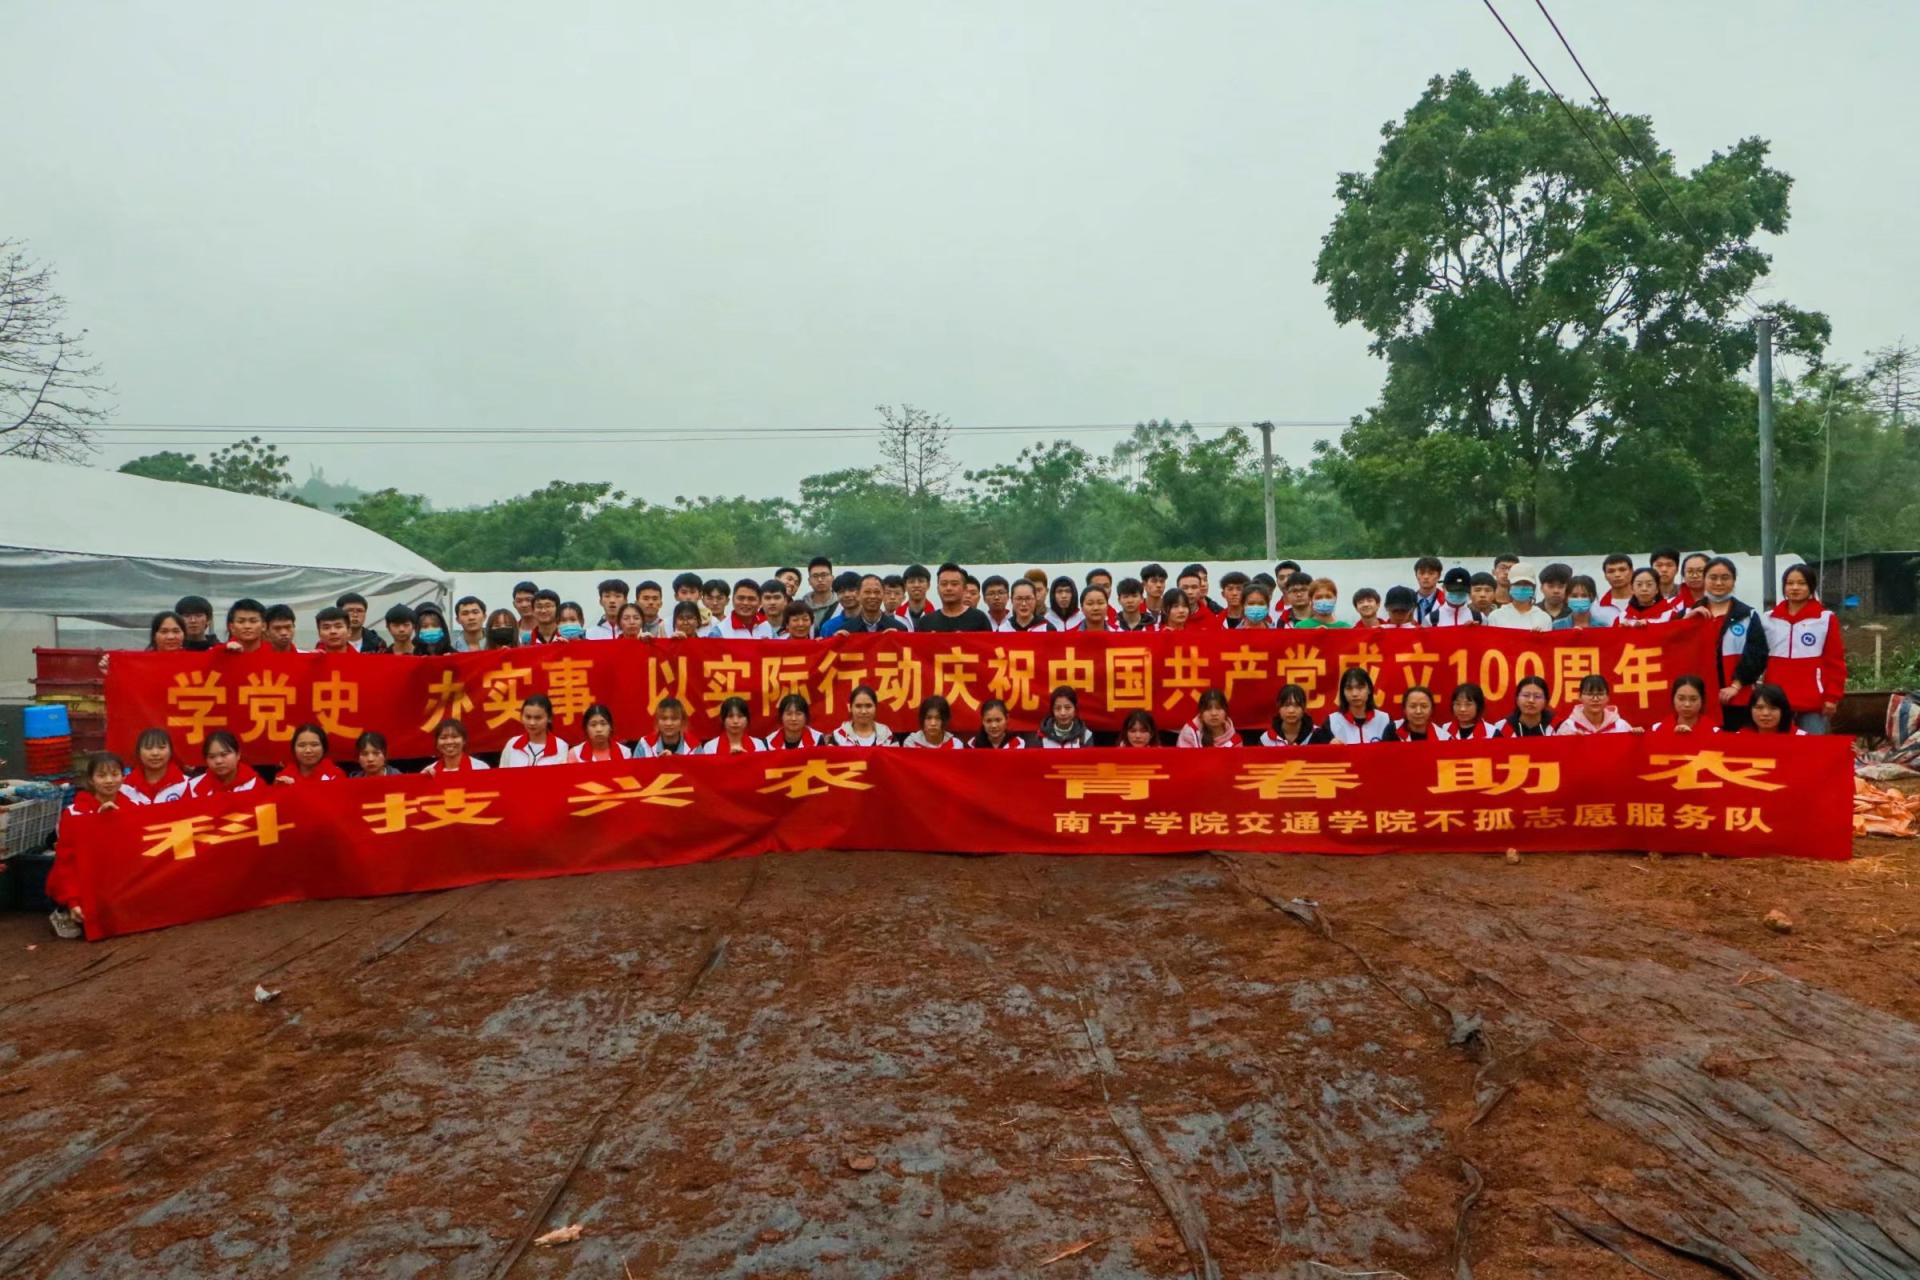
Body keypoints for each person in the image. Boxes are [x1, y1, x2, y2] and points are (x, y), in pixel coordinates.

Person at [1760, 564, 1846, 733]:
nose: (1795, 588)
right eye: (1790, 583)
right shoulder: (1768, 619)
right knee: (1778, 747)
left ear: (1811, 587)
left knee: (1812, 747)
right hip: (1776, 701)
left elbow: (1835, 661)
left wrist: (1832, 697)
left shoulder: (1825, 618)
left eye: (1801, 583)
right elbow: (1758, 657)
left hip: (1813, 702)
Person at [1688, 556, 1768, 731]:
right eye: (1713, 577)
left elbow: (1757, 654)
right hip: (1698, 698)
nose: (1719, 583)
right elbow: (1674, 648)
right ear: (1704, 580)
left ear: (1734, 581)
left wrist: (1736, 685)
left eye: (1725, 578)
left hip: (1736, 698)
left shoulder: (1747, 615)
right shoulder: (1690, 614)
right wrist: (1685, 622)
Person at [1315, 668, 1393, 743]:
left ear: (1369, 689)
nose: (1354, 694)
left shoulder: (1385, 720)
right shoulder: (1332, 721)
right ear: (1343, 692)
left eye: (1360, 688)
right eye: (1349, 688)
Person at [499, 694, 571, 767]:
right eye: (528, 717)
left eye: (538, 718)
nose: (532, 723)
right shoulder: (512, 744)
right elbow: (502, 772)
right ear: (521, 716)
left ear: (549, 718)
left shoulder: (560, 746)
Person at [123, 728, 190, 803]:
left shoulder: (187, 784)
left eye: (162, 747)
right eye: (148, 748)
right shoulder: (124, 786)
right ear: (138, 752)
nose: (155, 753)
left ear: (171, 751)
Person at [66, 751, 143, 816]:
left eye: (115, 774)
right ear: (91, 780)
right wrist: (99, 818)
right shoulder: (73, 813)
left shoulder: (135, 808)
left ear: (123, 778)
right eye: (101, 775)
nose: (109, 781)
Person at [919, 563, 991, 632]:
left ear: (964, 589)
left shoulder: (979, 619)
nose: (948, 588)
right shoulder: (926, 622)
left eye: (954, 584)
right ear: (938, 589)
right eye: (944, 584)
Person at [187, 731, 262, 796]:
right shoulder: (193, 787)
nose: (218, 761)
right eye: (212, 757)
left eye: (224, 754)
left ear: (238, 754)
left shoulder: (254, 784)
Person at [1558, 674, 1638, 735]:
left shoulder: (1620, 726)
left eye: (1600, 694)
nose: (1595, 699)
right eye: (1590, 694)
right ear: (1579, 696)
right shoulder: (1569, 727)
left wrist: (1636, 736)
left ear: (1608, 697)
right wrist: (1570, 742)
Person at [1485, 562, 1552, 631]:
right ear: (1510, 586)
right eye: (1517, 584)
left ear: (1533, 587)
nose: (1522, 587)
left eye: (1526, 584)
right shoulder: (1496, 616)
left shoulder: (1544, 618)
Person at [838, 574, 910, 633]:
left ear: (883, 594)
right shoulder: (847, 630)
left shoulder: (899, 628)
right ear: (858, 595)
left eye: (877, 592)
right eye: (867, 592)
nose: (872, 596)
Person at [275, 723, 345, 784]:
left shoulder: (336, 774)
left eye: (314, 745)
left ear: (324, 747)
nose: (308, 750)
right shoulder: (283, 778)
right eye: (302, 745)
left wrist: (296, 786)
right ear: (294, 749)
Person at [707, 579, 775, 640]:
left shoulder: (767, 627)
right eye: (741, 598)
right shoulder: (719, 632)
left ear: (760, 602)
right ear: (733, 600)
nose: (745, 603)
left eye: (751, 599)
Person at [1175, 688, 1239, 747]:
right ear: (1201, 713)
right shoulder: (1189, 732)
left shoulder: (1235, 740)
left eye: (1218, 708)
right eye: (1208, 709)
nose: (1214, 713)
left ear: (1226, 712)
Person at [700, 697, 764, 754]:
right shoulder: (711, 747)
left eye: (740, 716)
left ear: (747, 719)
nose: (735, 721)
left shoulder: (758, 745)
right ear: (722, 719)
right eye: (730, 716)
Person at [423, 720, 489, 773]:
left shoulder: (480, 768)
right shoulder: (429, 772)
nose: (449, 742)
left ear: (464, 740)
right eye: (443, 738)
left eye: (454, 737)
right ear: (437, 743)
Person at [1739, 683, 1807, 735]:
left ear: (1783, 711)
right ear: (1750, 710)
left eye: (1773, 708)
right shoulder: (1739, 737)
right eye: (1759, 707)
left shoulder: (1802, 738)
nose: (1765, 713)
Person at [902, 695, 966, 749]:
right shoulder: (911, 743)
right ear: (922, 720)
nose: (933, 723)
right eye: (928, 718)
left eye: (938, 718)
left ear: (944, 720)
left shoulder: (955, 745)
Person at [803, 557, 839, 626]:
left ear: (832, 578)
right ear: (809, 581)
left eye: (824, 575)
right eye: (815, 576)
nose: (820, 579)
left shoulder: (841, 604)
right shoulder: (801, 606)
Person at [1597, 554, 1635, 619]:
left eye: (1622, 570)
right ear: (1605, 575)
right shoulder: (1599, 607)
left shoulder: (1646, 601)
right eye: (1611, 571)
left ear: (1632, 572)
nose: (1617, 575)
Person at [1412, 556, 1444, 626]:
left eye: (1431, 573)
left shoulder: (1446, 601)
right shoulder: (1407, 601)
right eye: (1422, 573)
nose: (1426, 577)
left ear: (1439, 576)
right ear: (1416, 575)